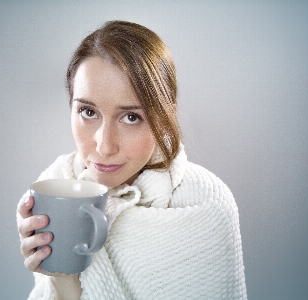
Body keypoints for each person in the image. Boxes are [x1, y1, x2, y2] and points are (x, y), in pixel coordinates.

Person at [17, 20, 247, 300]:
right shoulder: (58, 181)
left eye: (131, 117)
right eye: (88, 112)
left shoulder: (205, 203)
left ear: (165, 119)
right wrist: (59, 276)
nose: (104, 146)